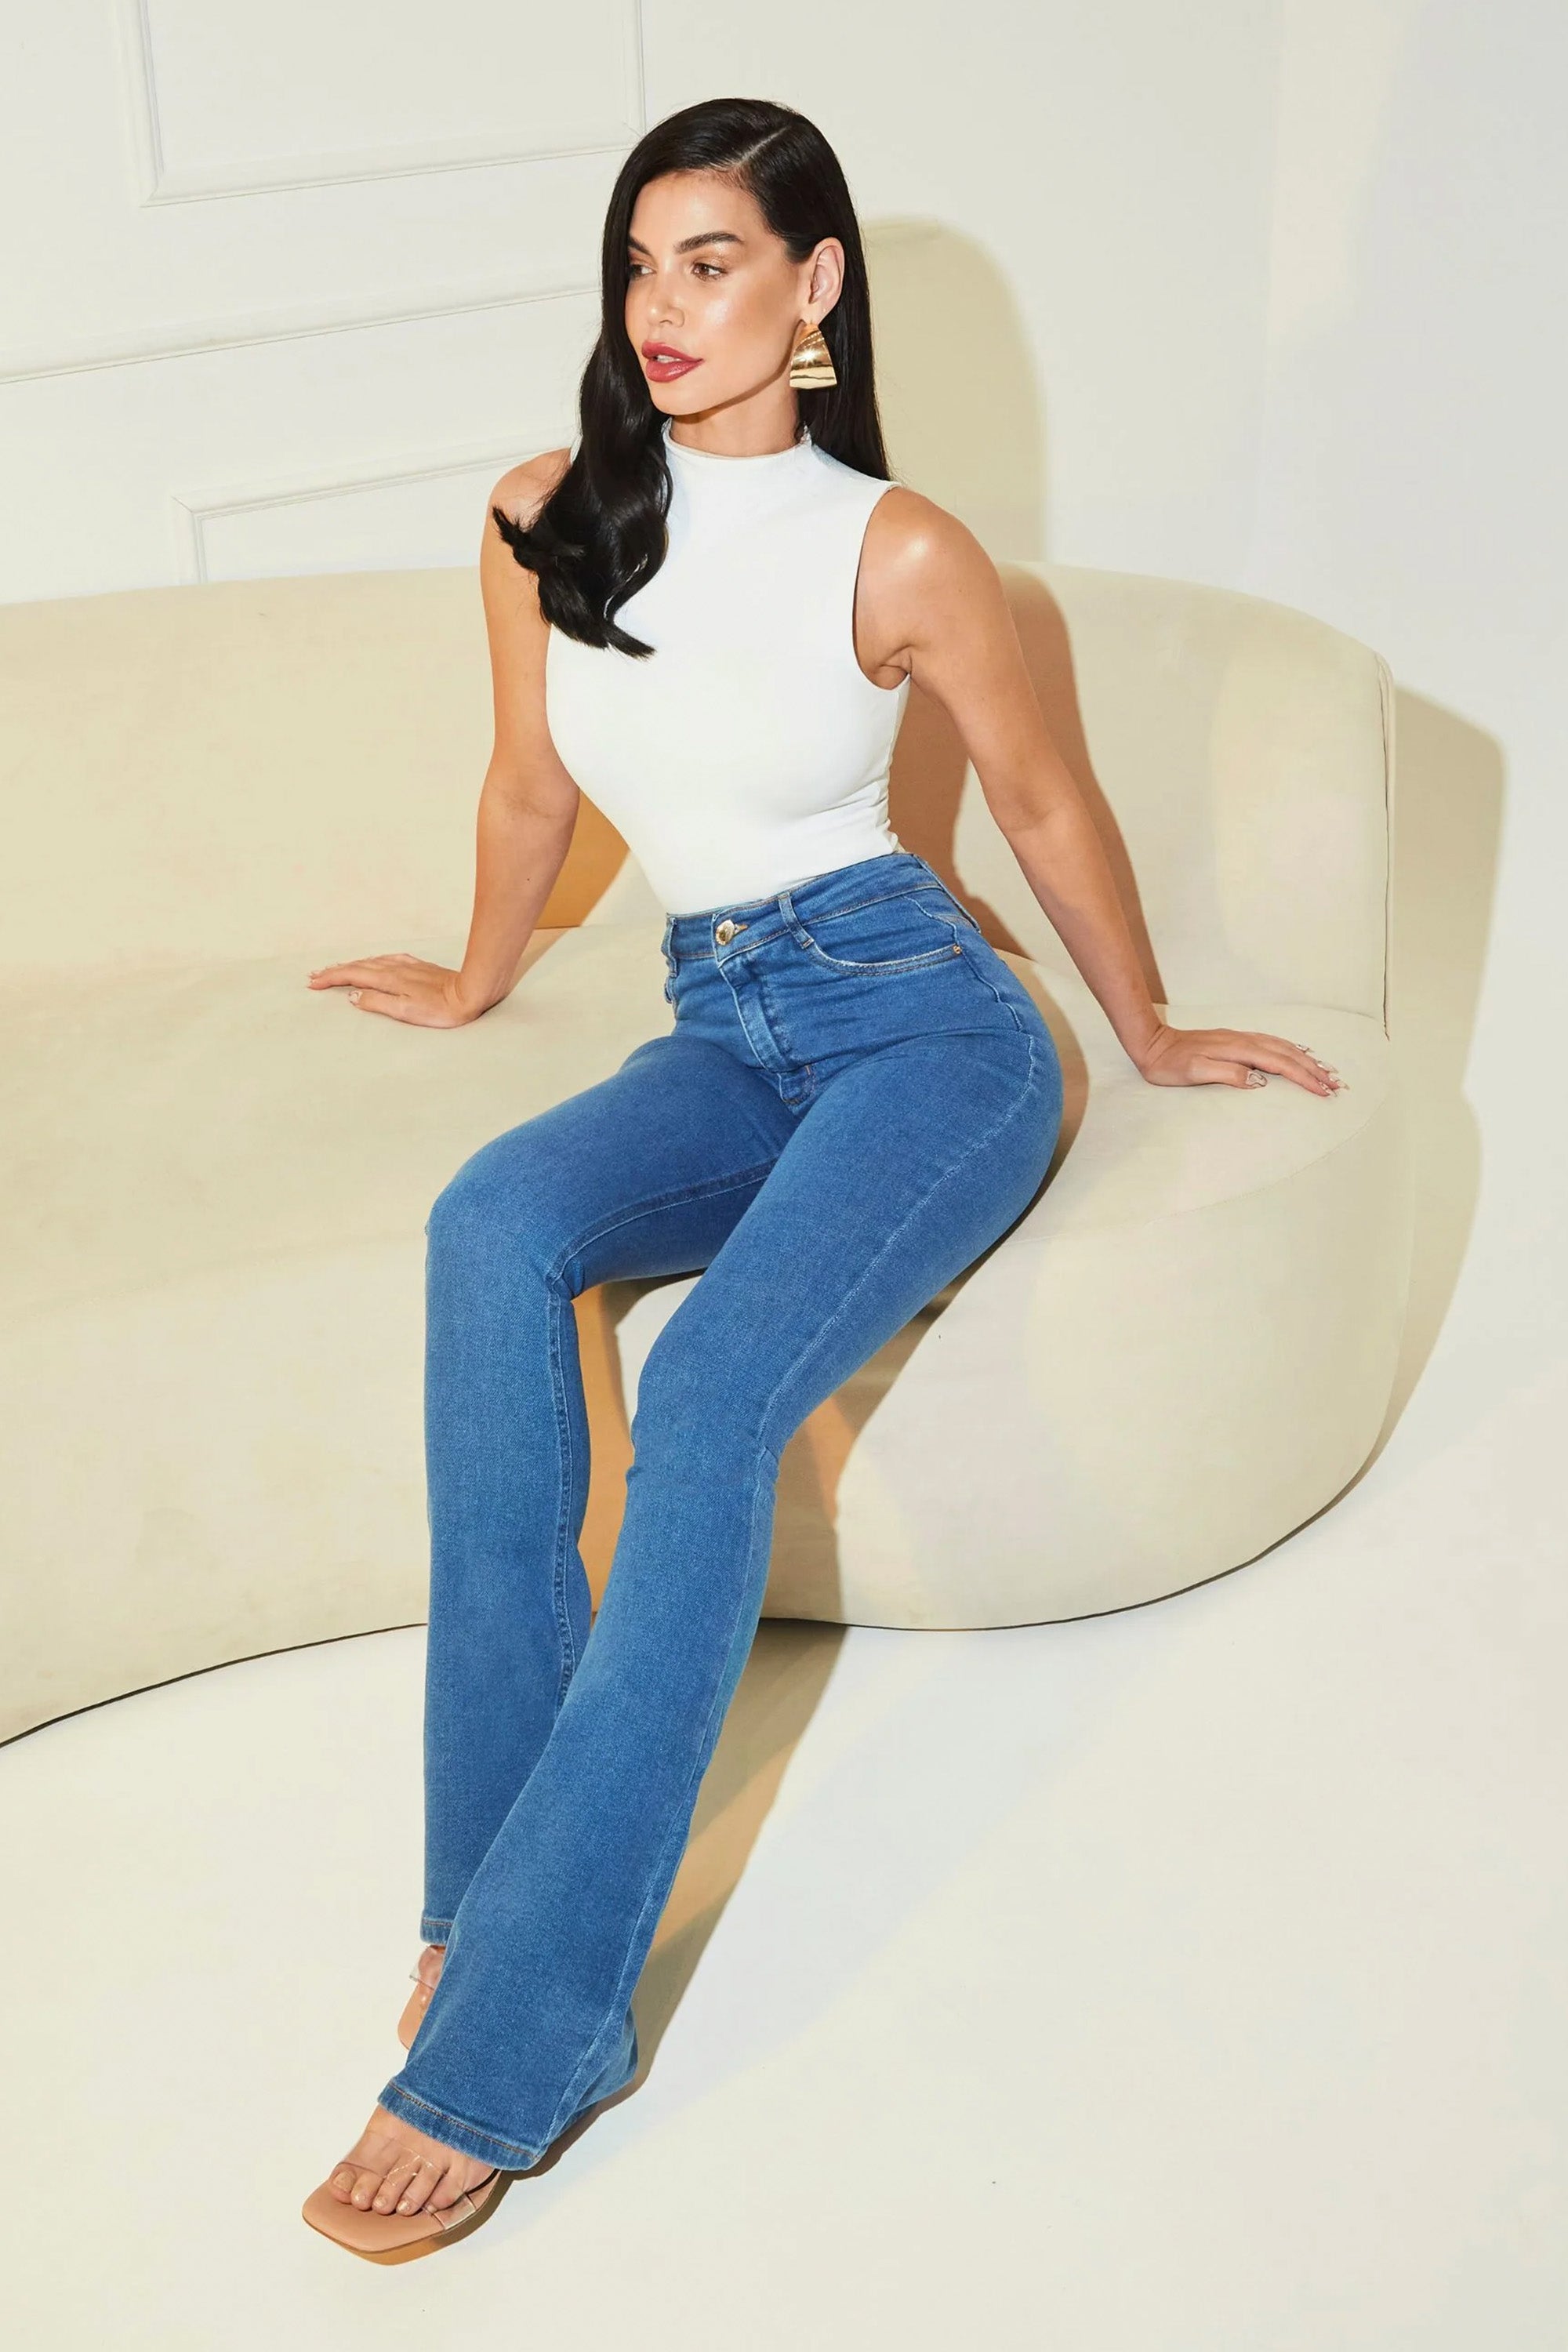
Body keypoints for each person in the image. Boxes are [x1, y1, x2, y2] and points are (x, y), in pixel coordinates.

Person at [299, 96, 1342, 2259]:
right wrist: (478, 976)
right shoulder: (545, 516)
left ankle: (522, 2039)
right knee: (493, 1223)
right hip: (720, 1022)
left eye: (711, 263)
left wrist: (1146, 1032)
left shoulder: (901, 550)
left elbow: (1039, 806)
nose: (662, 308)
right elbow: (527, 788)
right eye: (640, 264)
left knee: (706, 1397)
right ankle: (482, 1895)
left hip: (924, 1033)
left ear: (814, 287)